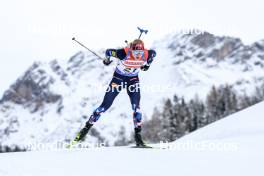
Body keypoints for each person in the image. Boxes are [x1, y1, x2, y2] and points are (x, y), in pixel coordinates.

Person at [72, 39, 156, 147]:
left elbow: (153, 54)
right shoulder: (123, 53)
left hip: (133, 80)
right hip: (118, 79)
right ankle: (85, 129)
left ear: (143, 50)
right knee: (104, 106)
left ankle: (138, 138)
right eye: (135, 52)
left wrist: (147, 65)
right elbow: (108, 51)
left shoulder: (148, 54)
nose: (138, 55)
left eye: (140, 52)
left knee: (137, 109)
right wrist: (107, 60)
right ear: (131, 50)